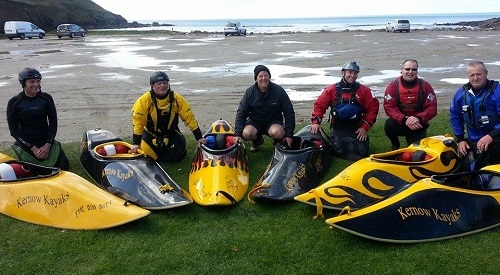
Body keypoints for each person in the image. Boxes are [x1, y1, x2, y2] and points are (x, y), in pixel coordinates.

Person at [310, 61, 379, 161]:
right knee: (339, 150)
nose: (353, 75)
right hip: (339, 128)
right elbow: (319, 106)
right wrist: (316, 122)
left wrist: (364, 128)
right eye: (350, 72)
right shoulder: (331, 90)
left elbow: (373, 109)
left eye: (355, 73)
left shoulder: (365, 91)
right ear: (343, 73)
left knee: (360, 151)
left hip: (357, 128)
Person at [131, 71, 205, 162]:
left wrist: (199, 137)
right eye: (159, 83)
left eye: (165, 83)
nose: (162, 86)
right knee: (149, 157)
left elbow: (189, 117)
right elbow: (138, 122)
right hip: (151, 133)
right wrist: (136, 143)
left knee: (176, 157)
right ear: (152, 85)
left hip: (171, 132)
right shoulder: (144, 100)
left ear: (168, 84)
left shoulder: (177, 99)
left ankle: (167, 150)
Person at [6, 68, 69, 170]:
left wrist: (47, 145)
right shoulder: (14, 102)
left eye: (38, 81)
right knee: (30, 170)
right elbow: (14, 132)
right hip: (26, 143)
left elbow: (53, 123)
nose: (36, 84)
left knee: (63, 167)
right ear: (23, 83)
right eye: (32, 81)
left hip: (45, 140)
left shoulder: (46, 98)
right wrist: (33, 148)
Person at [450, 61, 500, 171]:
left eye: (479, 74)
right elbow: (455, 117)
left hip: (496, 137)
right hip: (473, 139)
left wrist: (490, 136)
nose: (475, 78)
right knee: (466, 168)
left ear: (486, 73)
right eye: (472, 75)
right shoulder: (461, 93)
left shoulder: (497, 91)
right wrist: (460, 139)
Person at [233, 65, 295, 151]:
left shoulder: (279, 91)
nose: (263, 78)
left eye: (266, 76)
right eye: (260, 76)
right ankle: (257, 140)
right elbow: (241, 113)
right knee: (246, 134)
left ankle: (278, 142)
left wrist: (289, 135)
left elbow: (289, 112)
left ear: (269, 77)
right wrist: (237, 134)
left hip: (273, 122)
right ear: (256, 78)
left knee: (278, 132)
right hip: (255, 122)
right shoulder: (249, 92)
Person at [383, 59, 437, 150]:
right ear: (402, 70)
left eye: (414, 69)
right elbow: (389, 107)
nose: (410, 72)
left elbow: (432, 107)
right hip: (400, 122)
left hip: (417, 123)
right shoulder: (392, 86)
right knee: (389, 125)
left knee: (415, 150)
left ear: (417, 71)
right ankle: (395, 143)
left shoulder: (425, 86)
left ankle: (414, 138)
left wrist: (419, 118)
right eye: (407, 69)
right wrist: (404, 119)